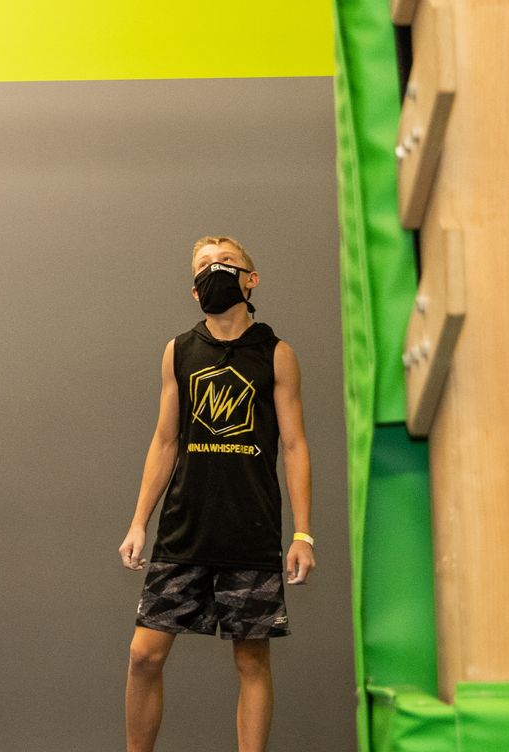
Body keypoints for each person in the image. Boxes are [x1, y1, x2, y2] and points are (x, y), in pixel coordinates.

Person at [118, 236, 314, 752]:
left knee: (251, 661)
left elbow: (294, 445)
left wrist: (303, 532)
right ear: (193, 288)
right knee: (145, 656)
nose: (215, 269)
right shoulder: (179, 351)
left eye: (227, 261)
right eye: (204, 265)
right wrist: (139, 521)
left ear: (251, 279)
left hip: (250, 531)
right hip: (185, 529)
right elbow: (165, 440)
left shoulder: (277, 354)